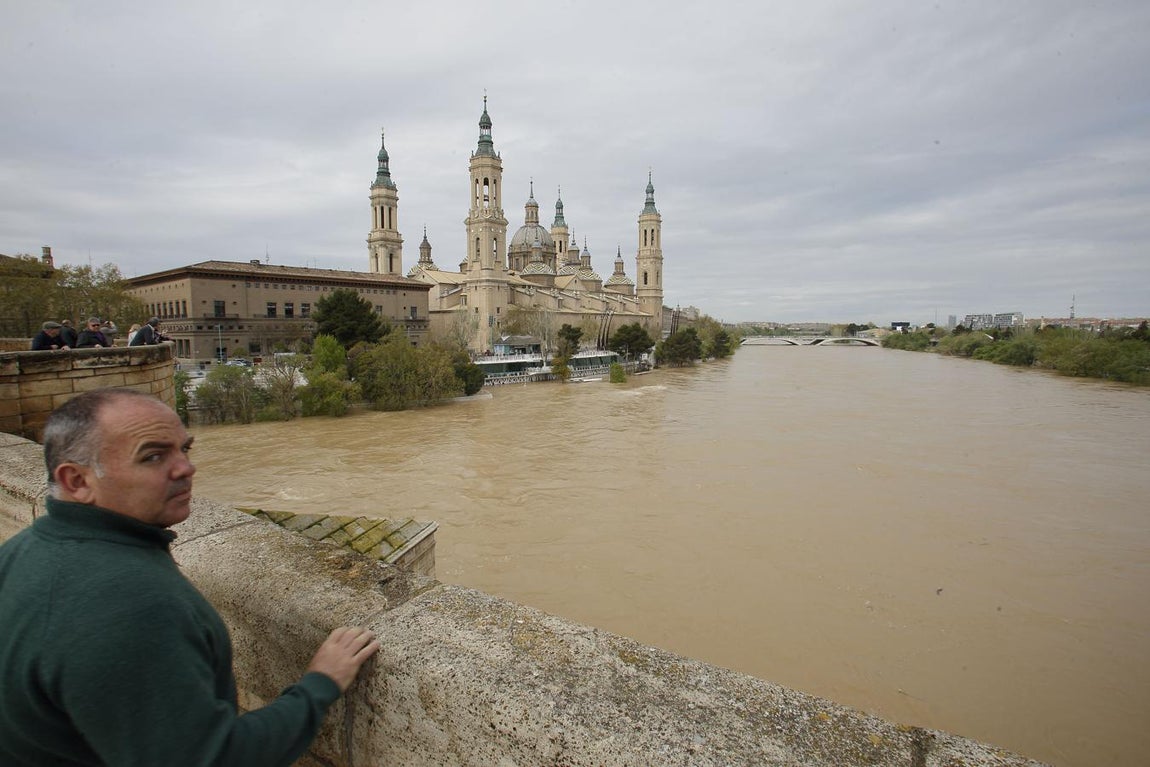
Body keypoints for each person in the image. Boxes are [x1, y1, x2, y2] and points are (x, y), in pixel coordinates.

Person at [0, 389, 380, 766]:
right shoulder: (131, 604)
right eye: (153, 456)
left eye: (185, 448)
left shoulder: (20, 551)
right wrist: (320, 685)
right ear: (77, 481)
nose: (186, 468)